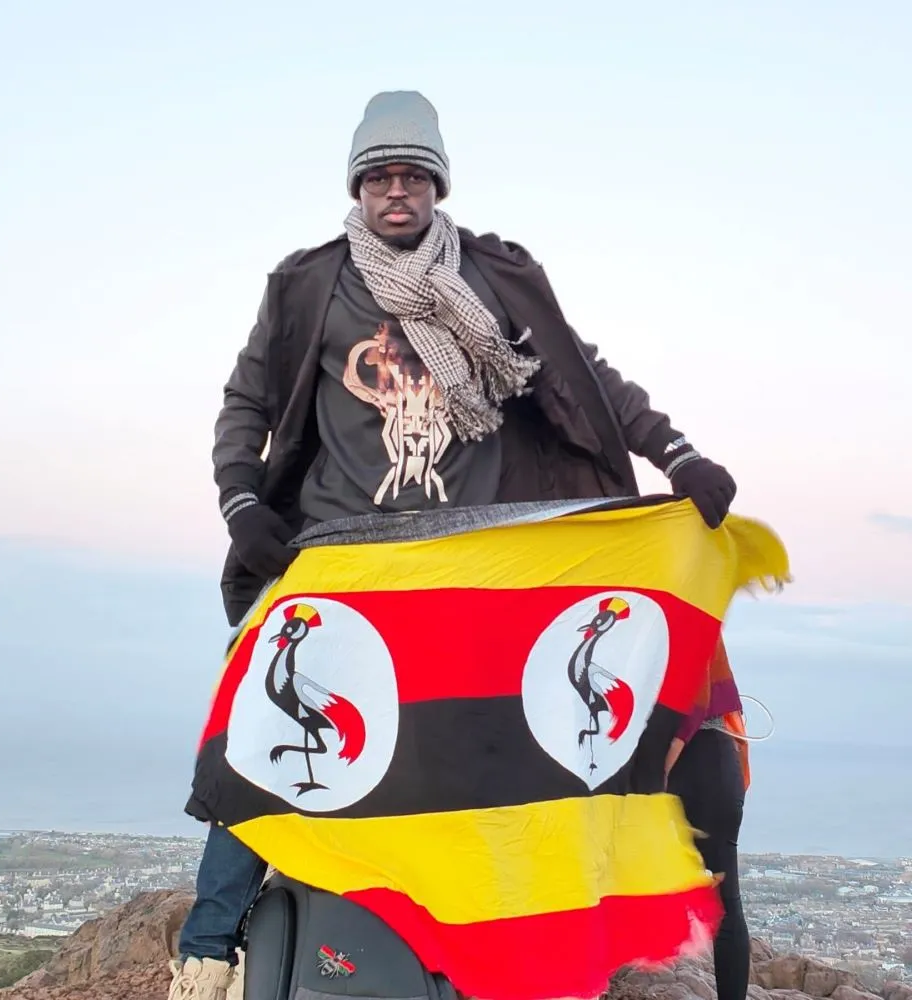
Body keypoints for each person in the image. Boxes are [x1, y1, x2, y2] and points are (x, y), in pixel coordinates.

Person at [168, 89, 738, 1000]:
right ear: (358, 187)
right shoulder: (311, 283)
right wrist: (241, 503)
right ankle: (209, 947)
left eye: (414, 175)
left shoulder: (494, 280)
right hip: (342, 555)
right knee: (270, 731)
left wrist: (674, 450)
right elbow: (245, 407)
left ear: (437, 184)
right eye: (380, 175)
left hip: (464, 559)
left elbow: (585, 377)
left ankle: (508, 947)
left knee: (484, 743)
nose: (397, 190)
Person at [665, 636, 751, 1000]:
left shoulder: (681, 603)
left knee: (724, 905)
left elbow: (694, 690)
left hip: (698, 760)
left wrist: (661, 767)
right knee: (725, 904)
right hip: (711, 762)